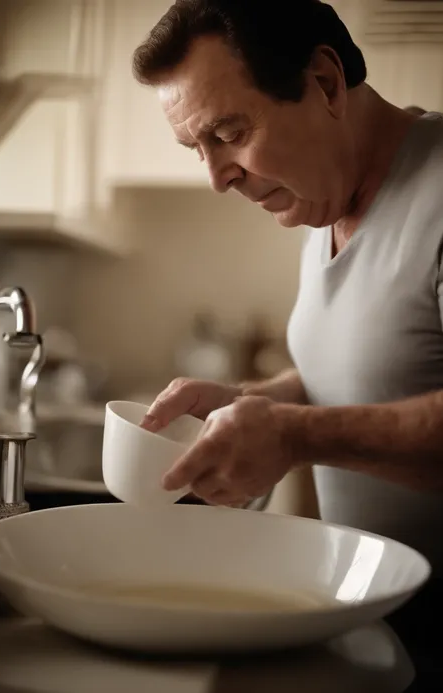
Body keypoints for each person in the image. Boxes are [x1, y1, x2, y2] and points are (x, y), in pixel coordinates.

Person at [132, 0, 443, 572]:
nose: (217, 178)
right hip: (374, 618)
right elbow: (376, 370)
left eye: (230, 132)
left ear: (325, 84)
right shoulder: (322, 198)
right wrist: (251, 402)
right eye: (198, 149)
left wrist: (295, 437)